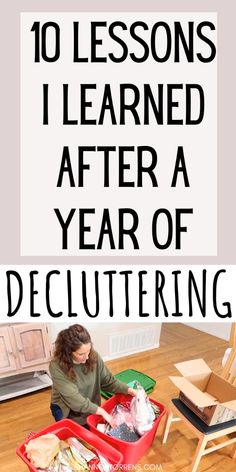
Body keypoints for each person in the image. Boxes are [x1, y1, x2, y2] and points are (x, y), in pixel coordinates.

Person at [49, 324, 137, 426]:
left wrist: (129, 390)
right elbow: (74, 400)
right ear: (68, 352)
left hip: (89, 406)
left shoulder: (92, 356)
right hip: (66, 409)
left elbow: (108, 382)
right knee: (75, 438)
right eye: (81, 354)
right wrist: (103, 412)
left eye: (88, 351)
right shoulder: (57, 366)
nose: (86, 357)